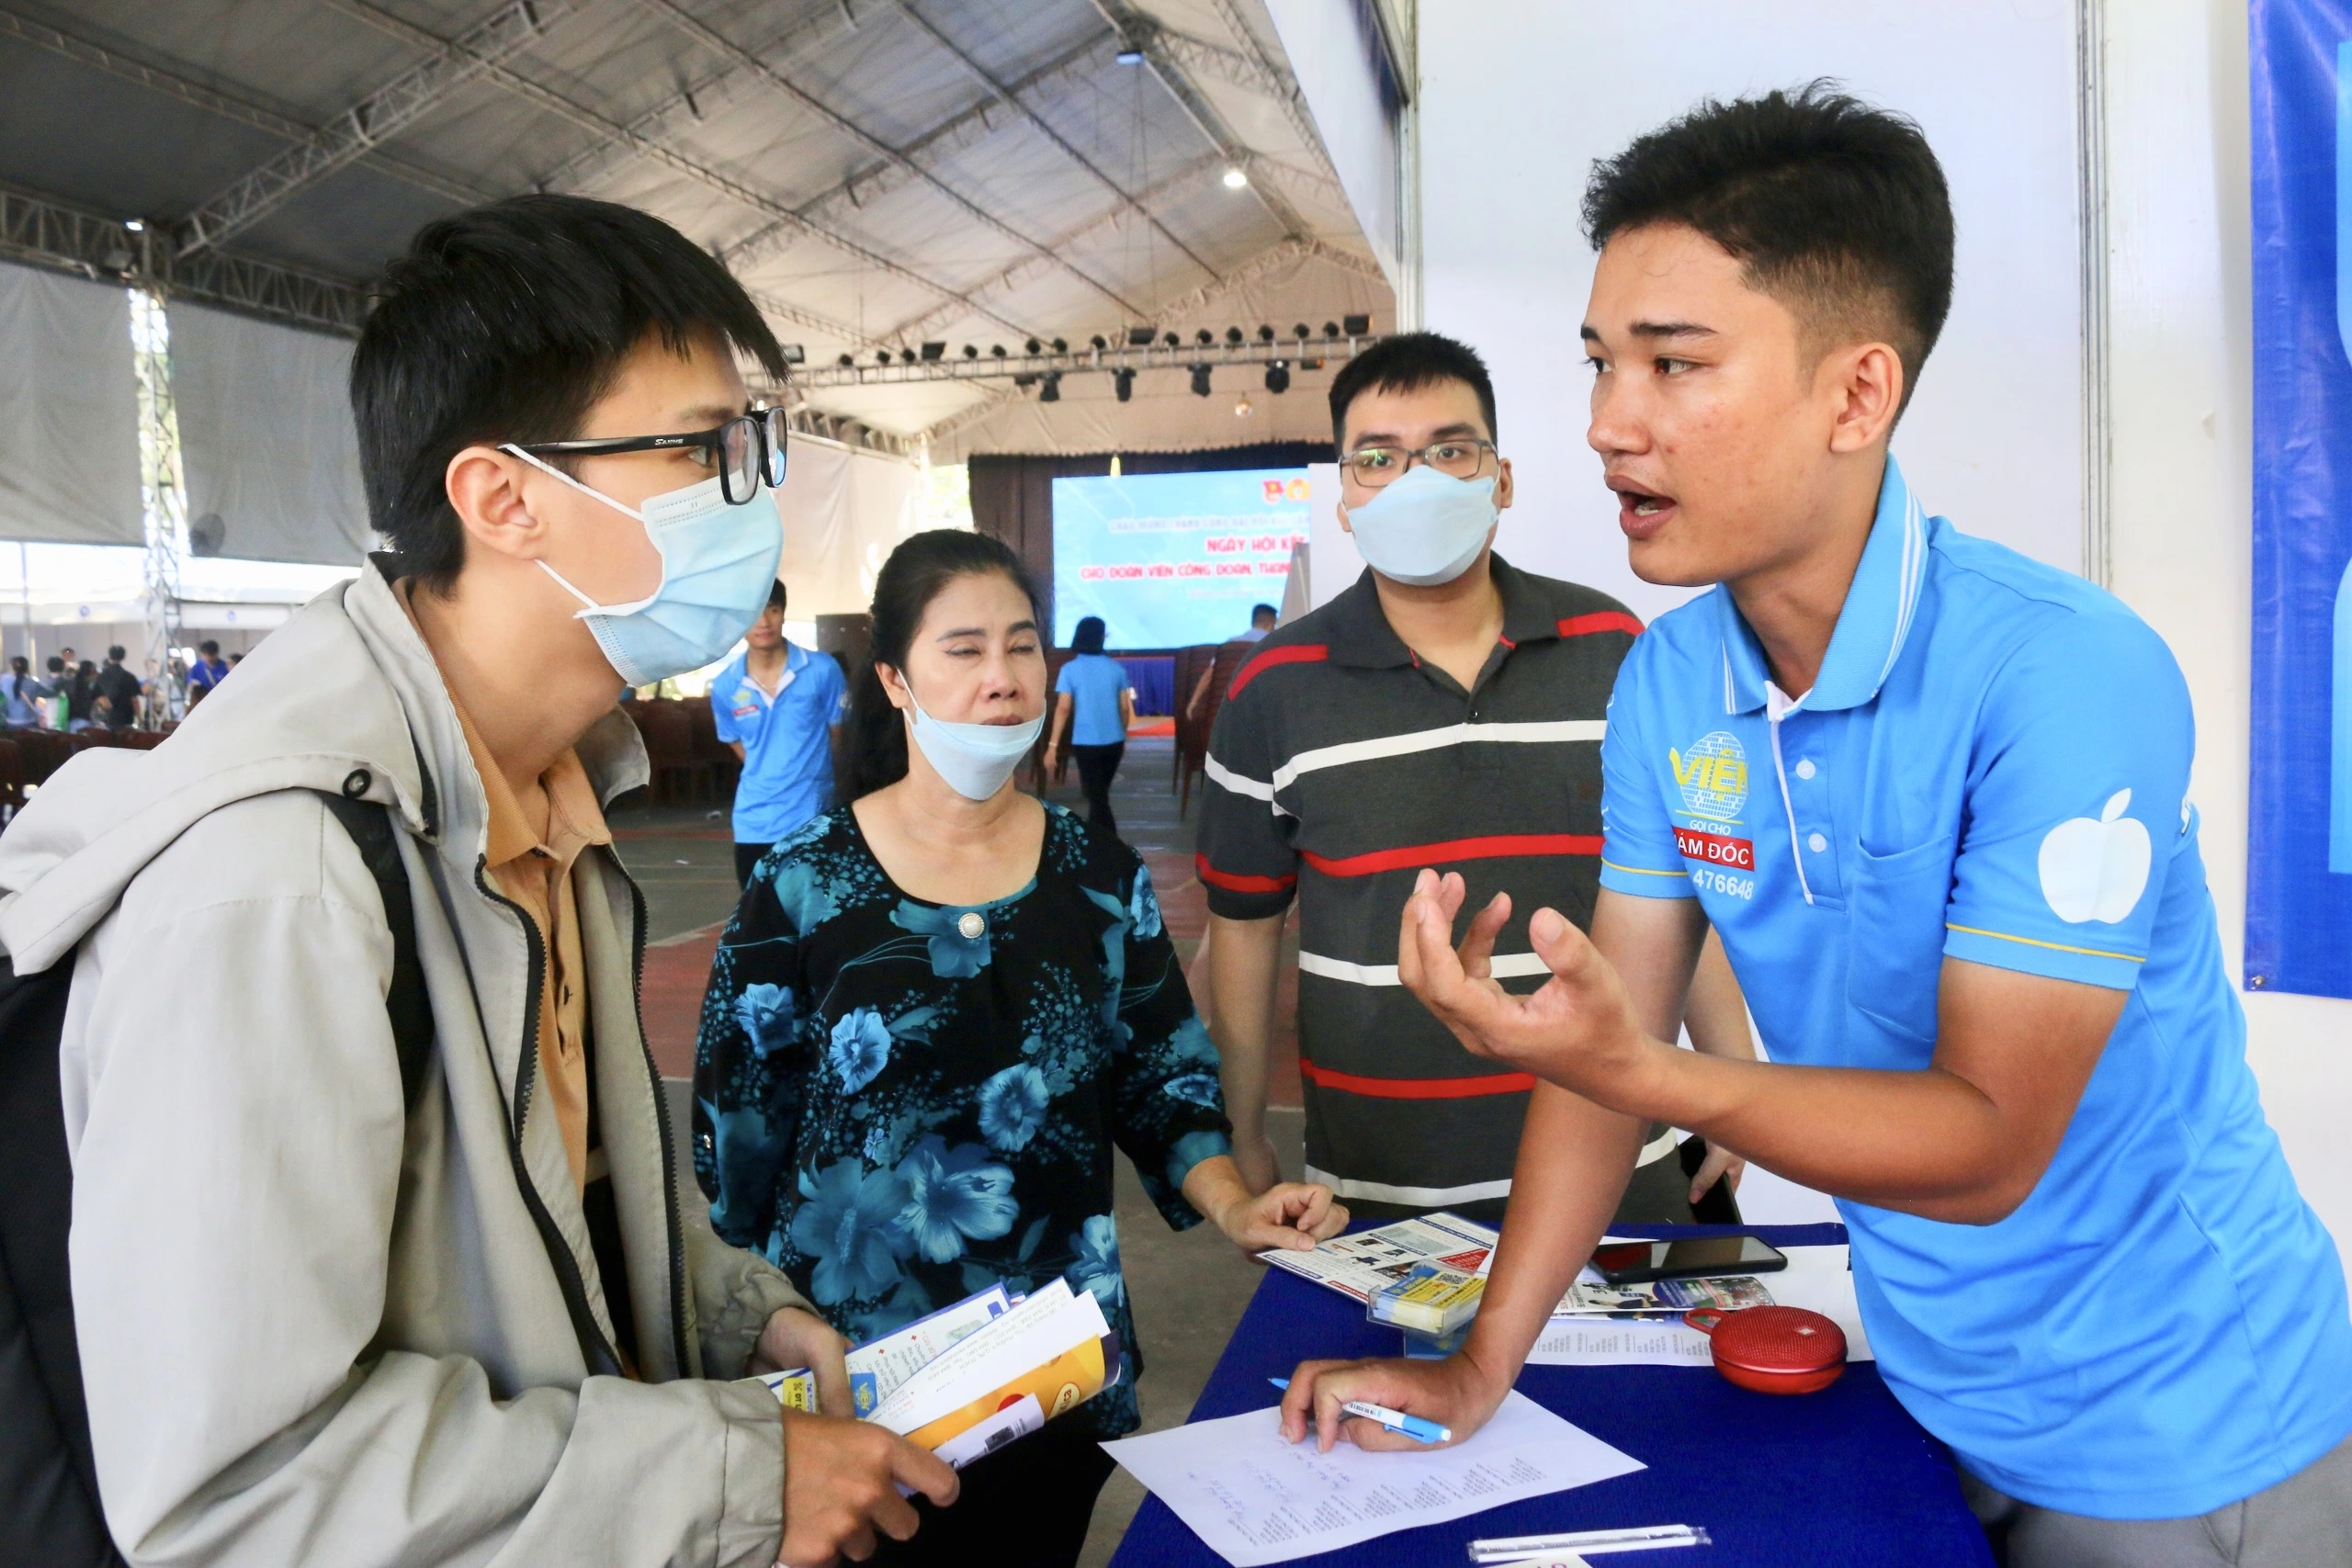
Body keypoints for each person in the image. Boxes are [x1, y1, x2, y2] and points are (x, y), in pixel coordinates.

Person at [1278, 88, 2352, 1567]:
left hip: (2180, 1416)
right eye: (1601, 362)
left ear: (1857, 395)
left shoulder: (2065, 672)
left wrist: (1646, 1067)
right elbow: (1609, 1058)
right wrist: (1480, 1364)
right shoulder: (1672, 682)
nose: (1607, 424)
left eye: (1674, 364)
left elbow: (1984, 1145)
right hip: (1922, 1386)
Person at [0, 195, 956, 1566]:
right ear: (503, 495)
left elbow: (549, 1205)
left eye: (751, 445)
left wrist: (739, 1312)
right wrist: (732, 1479)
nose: (752, 495)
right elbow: (243, 1488)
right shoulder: (276, 882)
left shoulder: (551, 793)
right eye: (698, 447)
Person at [695, 529, 1347, 1566]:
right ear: (896, 680)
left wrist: (1234, 1200)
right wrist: (742, 1329)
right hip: (855, 1384)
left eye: (1021, 645)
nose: (1002, 679)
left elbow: (1161, 1076)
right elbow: (735, 1137)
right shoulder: (803, 884)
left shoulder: (1098, 875)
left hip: (1049, 1367)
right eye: (963, 650)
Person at [1194, 331, 1756, 1222]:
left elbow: (1679, 885)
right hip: (1375, 1184)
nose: (1414, 481)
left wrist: (1732, 1087)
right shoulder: (1274, 689)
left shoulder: (1613, 650)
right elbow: (1243, 929)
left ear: (1500, 479)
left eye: (1449, 450)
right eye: (1377, 458)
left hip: (1617, 1161)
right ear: (1343, 496)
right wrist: (1242, 1124)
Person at [711, 580, 846, 888]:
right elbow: (733, 739)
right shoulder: (726, 686)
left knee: (817, 917)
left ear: (783, 613)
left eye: (772, 609)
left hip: (813, 817)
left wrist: (815, 774)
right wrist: (768, 769)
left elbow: (839, 733)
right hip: (753, 822)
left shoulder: (822, 670)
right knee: (758, 920)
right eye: (754, 612)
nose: (764, 621)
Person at [1043, 615, 1135, 833]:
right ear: (1101, 638)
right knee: (1099, 795)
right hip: (1114, 742)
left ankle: (1109, 846)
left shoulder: (1069, 670)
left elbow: (1063, 708)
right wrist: (1122, 733)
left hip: (1085, 742)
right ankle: (1101, 844)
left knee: (1097, 798)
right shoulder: (1116, 669)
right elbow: (1124, 707)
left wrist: (1052, 747)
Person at [1182, 602, 1277, 721]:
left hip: (1228, 712)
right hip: (1263, 711)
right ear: (1270, 624)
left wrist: (1193, 702)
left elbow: (1209, 675)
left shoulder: (1230, 644)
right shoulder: (1274, 644)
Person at [94, 647, 140, 731]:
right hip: (126, 718)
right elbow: (134, 700)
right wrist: (139, 718)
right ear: (123, 657)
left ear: (109, 656)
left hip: (107, 719)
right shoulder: (129, 677)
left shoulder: (101, 676)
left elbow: (97, 698)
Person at [4, 656, 50, 728]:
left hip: (10, 723)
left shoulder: (4, 681)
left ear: (12, 667)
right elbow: (49, 693)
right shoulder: (32, 681)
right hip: (30, 722)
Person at [184, 638, 228, 705]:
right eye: (205, 655)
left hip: (220, 701)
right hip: (202, 701)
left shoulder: (224, 667)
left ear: (216, 654)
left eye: (211, 655)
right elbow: (189, 679)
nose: (208, 658)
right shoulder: (197, 667)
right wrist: (193, 682)